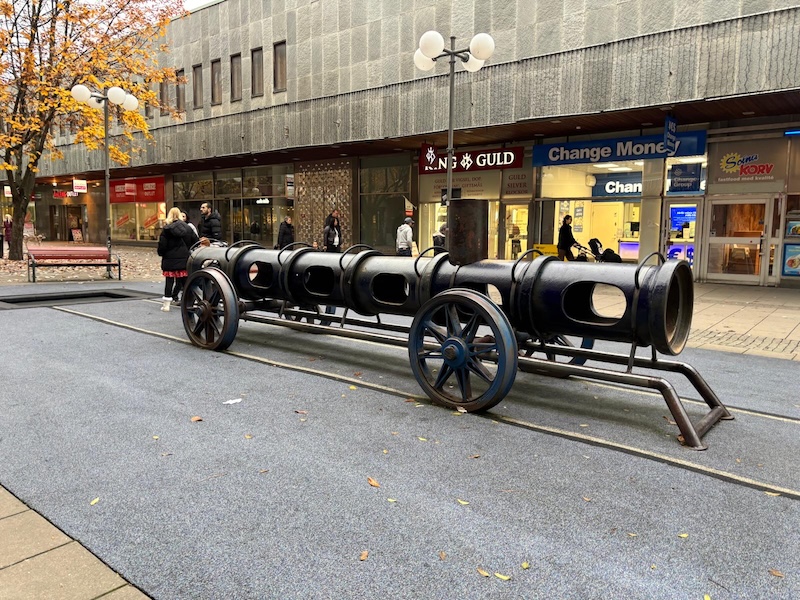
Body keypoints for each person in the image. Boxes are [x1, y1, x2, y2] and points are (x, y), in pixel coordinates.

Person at [157, 207, 199, 311]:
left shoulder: (166, 230)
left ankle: (166, 305)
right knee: (185, 282)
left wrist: (162, 253)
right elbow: (195, 241)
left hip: (170, 259)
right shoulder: (188, 228)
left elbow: (162, 246)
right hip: (184, 259)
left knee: (169, 282)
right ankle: (187, 302)